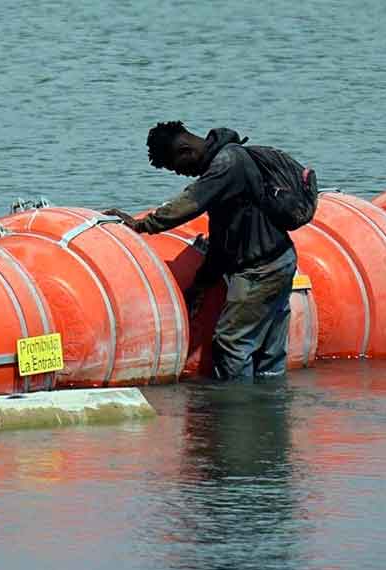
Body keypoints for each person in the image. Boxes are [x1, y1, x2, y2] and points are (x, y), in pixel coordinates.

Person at [104, 121, 297, 381]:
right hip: (279, 260)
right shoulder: (230, 162)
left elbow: (190, 203)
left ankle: (238, 414)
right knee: (269, 354)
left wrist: (141, 225)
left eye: (177, 168)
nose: (182, 174)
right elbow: (222, 241)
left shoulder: (226, 165)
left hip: (260, 271)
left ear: (185, 151)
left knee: (231, 346)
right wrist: (201, 284)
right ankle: (269, 411)